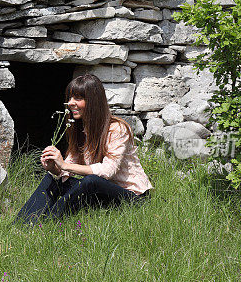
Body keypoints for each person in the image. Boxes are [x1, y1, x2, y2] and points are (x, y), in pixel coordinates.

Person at [15, 74, 152, 223]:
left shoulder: (117, 129)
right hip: (103, 193)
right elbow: (67, 168)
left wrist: (65, 165)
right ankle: (21, 226)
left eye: (78, 98)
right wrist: (55, 168)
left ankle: (47, 224)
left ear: (93, 101)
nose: (70, 103)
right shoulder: (80, 129)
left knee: (90, 181)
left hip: (132, 197)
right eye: (70, 98)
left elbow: (107, 171)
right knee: (53, 179)